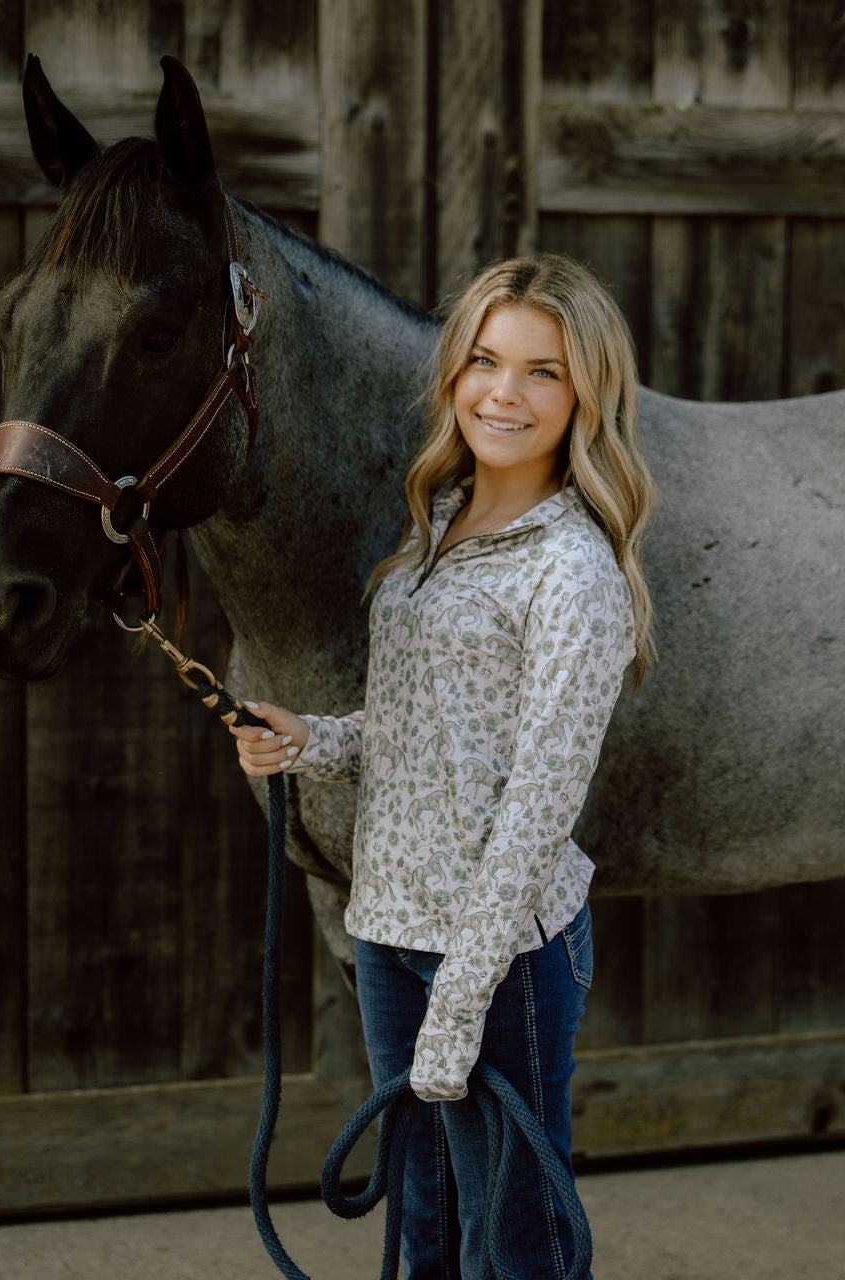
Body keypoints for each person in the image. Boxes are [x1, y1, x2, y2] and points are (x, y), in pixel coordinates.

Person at [230, 254, 654, 1280]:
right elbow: (427, 733)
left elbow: (538, 805)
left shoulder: (572, 570)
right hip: (389, 927)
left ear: (587, 395)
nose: (504, 393)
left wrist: (463, 997)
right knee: (421, 1228)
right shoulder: (438, 522)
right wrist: (312, 739)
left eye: (543, 372)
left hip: (501, 952)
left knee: (512, 1242)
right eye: (484, 361)